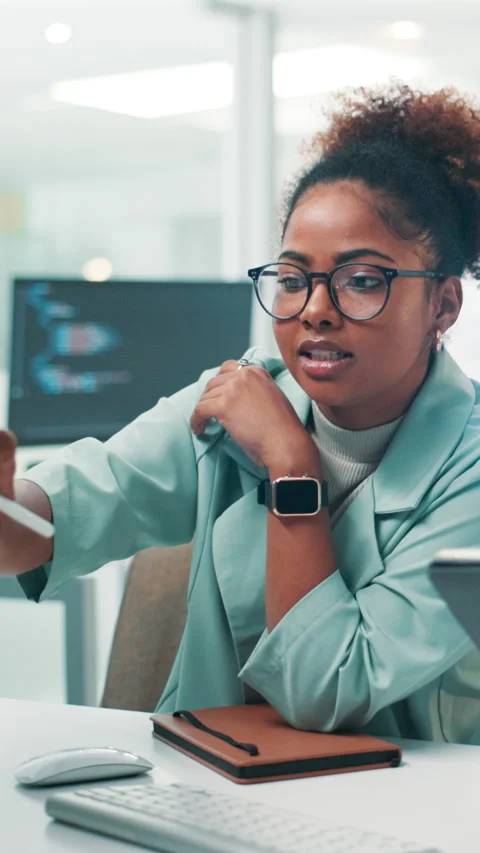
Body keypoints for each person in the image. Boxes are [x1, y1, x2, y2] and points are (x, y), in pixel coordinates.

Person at [1, 82, 480, 743]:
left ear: (444, 306)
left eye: (362, 281)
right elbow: (60, 517)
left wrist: (292, 466)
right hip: (200, 778)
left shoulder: (469, 470)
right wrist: (7, 507)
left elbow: (325, 690)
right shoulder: (244, 394)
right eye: (293, 279)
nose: (315, 310)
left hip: (403, 799)